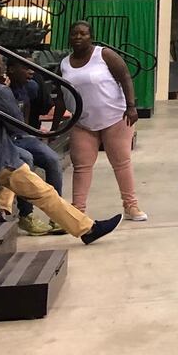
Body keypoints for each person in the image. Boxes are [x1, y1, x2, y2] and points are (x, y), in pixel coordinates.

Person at [0, 48, 121, 245]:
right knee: (43, 191)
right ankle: (87, 229)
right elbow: (18, 126)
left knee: (24, 161)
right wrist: (5, 91)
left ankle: (2, 210)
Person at [53, 20, 144, 222]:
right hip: (82, 122)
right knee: (82, 165)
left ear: (90, 36)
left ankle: (131, 205)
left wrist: (131, 106)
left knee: (121, 162)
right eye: (74, 33)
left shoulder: (104, 55)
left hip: (115, 117)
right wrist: (55, 128)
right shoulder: (64, 64)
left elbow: (125, 77)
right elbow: (60, 96)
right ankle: (78, 209)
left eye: (83, 33)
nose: (78, 37)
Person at [3, 58, 63, 233]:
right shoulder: (1, 90)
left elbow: (29, 111)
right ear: (11, 70)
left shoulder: (30, 87)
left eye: (32, 68)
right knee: (26, 160)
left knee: (52, 159)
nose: (31, 72)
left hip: (23, 135)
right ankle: (26, 215)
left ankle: (57, 215)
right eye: (26, 68)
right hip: (6, 138)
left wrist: (32, 131)